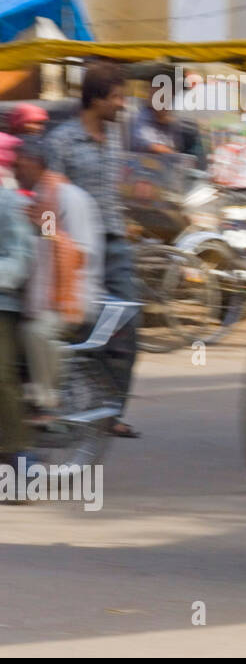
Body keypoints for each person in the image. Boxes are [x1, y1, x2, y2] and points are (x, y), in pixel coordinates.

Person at [44, 62, 140, 439]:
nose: (123, 105)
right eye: (117, 97)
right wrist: (52, 245)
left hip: (115, 246)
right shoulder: (61, 142)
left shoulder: (115, 138)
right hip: (77, 249)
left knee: (125, 327)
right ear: (96, 99)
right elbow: (49, 197)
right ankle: (69, 408)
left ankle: (110, 412)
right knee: (78, 328)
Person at [13, 139, 103, 419]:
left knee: (35, 332)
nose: (16, 171)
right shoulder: (39, 196)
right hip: (44, 294)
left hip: (73, 296)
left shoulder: (69, 198)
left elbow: (82, 253)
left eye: (20, 165)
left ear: (36, 162)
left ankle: (48, 398)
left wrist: (46, 230)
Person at [0, 170, 34, 473]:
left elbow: (20, 258)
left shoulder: (8, 203)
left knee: (2, 377)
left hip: (3, 303)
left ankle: (19, 461)